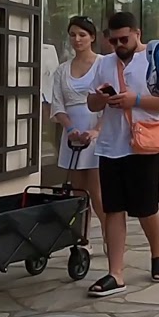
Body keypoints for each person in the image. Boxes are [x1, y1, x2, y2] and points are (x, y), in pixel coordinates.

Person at [85, 11, 159, 295]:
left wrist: (134, 100)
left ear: (137, 33)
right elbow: (90, 103)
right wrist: (101, 99)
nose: (119, 45)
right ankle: (116, 272)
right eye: (113, 40)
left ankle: (157, 252)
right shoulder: (104, 65)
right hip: (112, 144)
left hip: (145, 142)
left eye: (124, 38)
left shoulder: (154, 58)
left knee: (146, 207)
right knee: (113, 208)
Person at [50, 16, 106, 234]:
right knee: (77, 193)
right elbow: (57, 104)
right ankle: (82, 238)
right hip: (72, 136)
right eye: (73, 34)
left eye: (82, 34)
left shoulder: (103, 64)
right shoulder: (62, 70)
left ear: (92, 37)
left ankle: (108, 235)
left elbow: (112, 103)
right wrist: (70, 129)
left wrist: (96, 130)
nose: (77, 39)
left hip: (97, 135)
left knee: (98, 191)